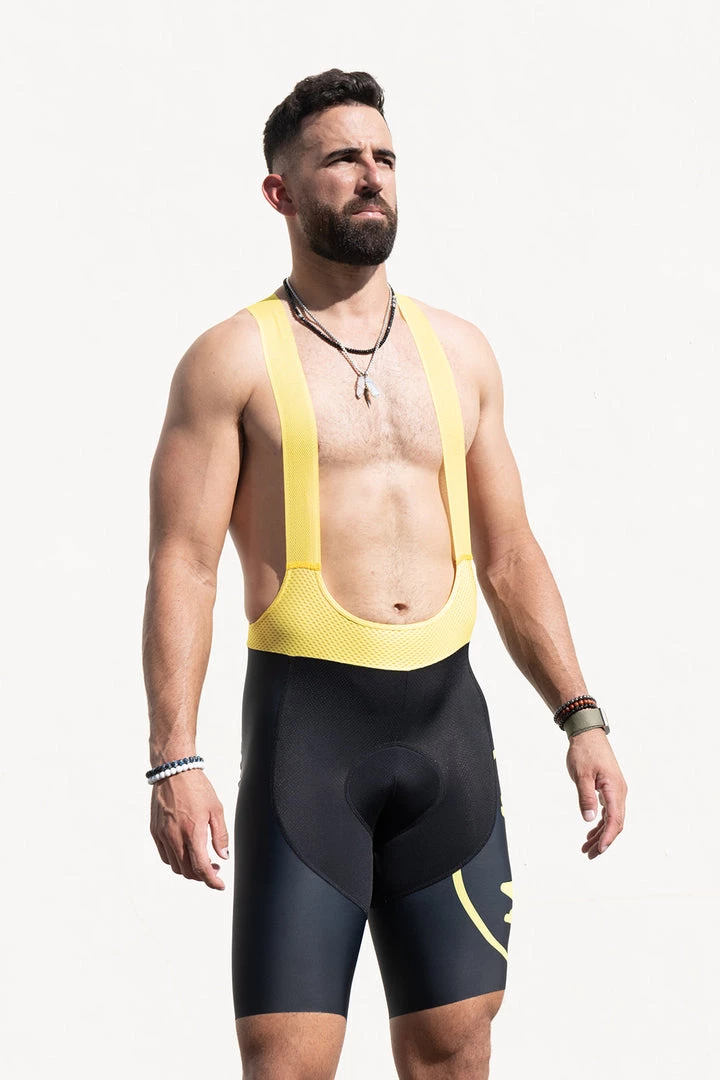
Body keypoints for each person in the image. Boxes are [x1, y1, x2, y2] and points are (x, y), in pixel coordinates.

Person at [143, 69, 628, 1080]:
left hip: (449, 737)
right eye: (342, 159)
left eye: (385, 158)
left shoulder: (460, 352)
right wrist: (173, 760)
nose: (371, 176)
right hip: (308, 742)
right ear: (280, 192)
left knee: (457, 1048)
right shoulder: (230, 361)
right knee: (288, 1063)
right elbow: (183, 564)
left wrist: (581, 715)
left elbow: (510, 552)